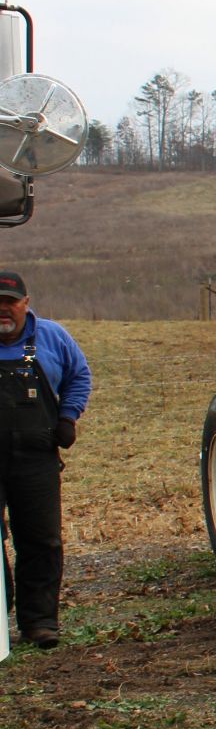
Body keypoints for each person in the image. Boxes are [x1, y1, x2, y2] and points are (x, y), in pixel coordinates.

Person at [0, 271, 89, 648]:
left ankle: (39, 622)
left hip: (36, 456)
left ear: (25, 302)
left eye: (10, 301)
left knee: (42, 540)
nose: (3, 309)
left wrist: (68, 417)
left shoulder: (51, 337)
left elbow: (79, 376)